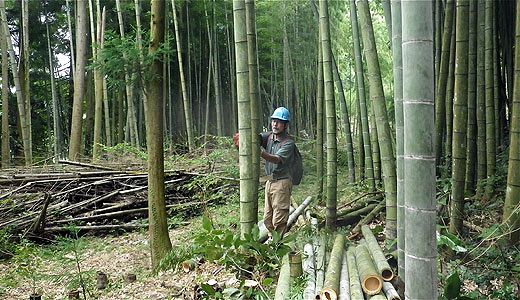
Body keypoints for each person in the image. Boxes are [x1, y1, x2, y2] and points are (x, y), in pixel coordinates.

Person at [259, 107, 296, 239]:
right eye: (273, 121)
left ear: (285, 125)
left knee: (278, 219)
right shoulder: (269, 136)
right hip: (270, 181)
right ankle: (272, 239)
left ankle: (277, 244)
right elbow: (256, 138)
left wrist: (261, 153)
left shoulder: (288, 143)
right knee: (267, 217)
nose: (275, 124)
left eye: (279, 122)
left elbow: (277, 159)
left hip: (282, 182)